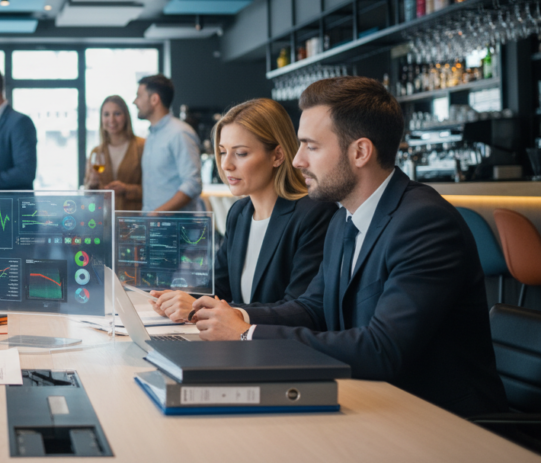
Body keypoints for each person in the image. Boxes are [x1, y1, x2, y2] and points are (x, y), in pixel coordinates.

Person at [187, 77, 507, 417]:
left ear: (360, 152)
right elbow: (312, 308)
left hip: (443, 423)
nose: (297, 161)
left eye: (311, 147)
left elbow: (382, 350)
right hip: (374, 405)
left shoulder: (424, 222)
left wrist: (247, 335)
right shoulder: (343, 219)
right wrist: (237, 317)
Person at [149, 98, 335, 319]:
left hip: (280, 349)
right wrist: (177, 299)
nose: (226, 165)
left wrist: (222, 313)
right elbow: (219, 288)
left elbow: (300, 308)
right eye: (223, 151)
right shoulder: (240, 213)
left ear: (277, 155)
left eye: (241, 153)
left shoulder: (314, 214)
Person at [133, 75, 202, 211]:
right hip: (156, 226)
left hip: (175, 228)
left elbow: (193, 184)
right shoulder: (152, 135)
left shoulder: (179, 133)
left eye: (139, 96)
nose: (135, 102)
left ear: (154, 99)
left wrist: (158, 213)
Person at [84, 96, 144, 210]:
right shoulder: (96, 151)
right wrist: (92, 184)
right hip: (104, 218)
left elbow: (153, 190)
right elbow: (88, 195)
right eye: (106, 114)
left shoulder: (141, 146)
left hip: (133, 217)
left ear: (126, 116)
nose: (111, 120)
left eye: (117, 113)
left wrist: (126, 189)